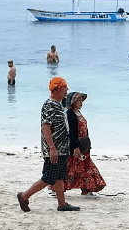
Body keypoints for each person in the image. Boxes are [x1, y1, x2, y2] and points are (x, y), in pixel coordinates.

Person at [17, 77, 82, 212]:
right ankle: (24, 196)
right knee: (48, 177)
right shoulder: (49, 105)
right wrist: (52, 148)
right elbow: (45, 127)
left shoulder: (59, 105)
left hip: (62, 148)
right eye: (65, 87)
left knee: (59, 176)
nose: (67, 90)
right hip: (54, 149)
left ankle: (62, 204)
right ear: (57, 89)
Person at [64, 91, 106, 196]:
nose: (81, 102)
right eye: (78, 100)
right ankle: (57, 188)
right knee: (72, 168)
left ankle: (86, 189)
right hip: (76, 146)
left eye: (81, 100)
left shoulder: (78, 113)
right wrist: (75, 147)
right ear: (73, 102)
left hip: (84, 145)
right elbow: (72, 132)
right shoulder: (70, 114)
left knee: (85, 168)